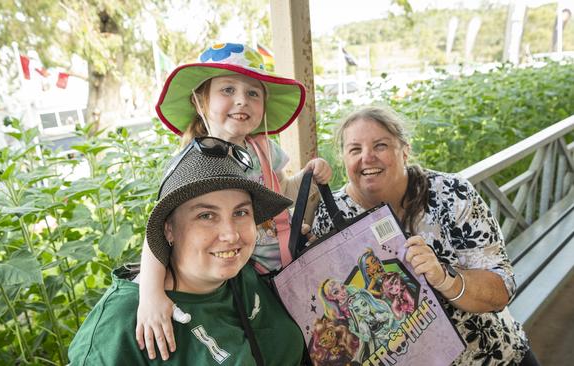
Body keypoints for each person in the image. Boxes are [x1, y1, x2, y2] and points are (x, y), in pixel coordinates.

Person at [136, 42, 332, 360]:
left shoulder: (263, 151)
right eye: (228, 89)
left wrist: (307, 178)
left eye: (253, 93)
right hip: (244, 276)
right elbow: (159, 231)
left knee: (307, 339)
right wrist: (151, 294)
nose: (242, 99)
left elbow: (281, 194)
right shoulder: (196, 163)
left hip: (287, 265)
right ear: (201, 100)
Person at [311, 105, 539, 366]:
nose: (367, 157)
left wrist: (445, 278)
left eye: (381, 145)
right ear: (343, 159)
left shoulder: (452, 194)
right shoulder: (331, 215)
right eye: (355, 149)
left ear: (405, 150)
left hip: (492, 357)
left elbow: (501, 291)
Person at [68, 141, 304, 365]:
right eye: (206, 216)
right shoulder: (122, 323)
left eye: (240, 213)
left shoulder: (242, 275)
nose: (231, 235)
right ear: (169, 229)